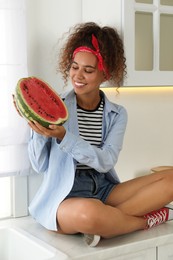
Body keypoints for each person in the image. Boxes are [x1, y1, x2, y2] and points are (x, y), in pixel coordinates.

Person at [20, 22, 173, 247]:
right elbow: (39, 165)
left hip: (103, 188)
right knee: (90, 214)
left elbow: (106, 161)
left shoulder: (117, 114)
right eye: (74, 67)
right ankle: (144, 221)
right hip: (66, 197)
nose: (78, 75)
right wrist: (38, 127)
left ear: (105, 73)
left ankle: (107, 223)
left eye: (88, 70)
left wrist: (65, 137)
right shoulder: (57, 106)